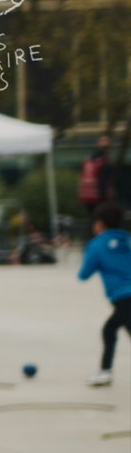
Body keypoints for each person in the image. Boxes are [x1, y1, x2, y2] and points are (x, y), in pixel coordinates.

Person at [80, 201, 131, 387]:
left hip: (123, 297)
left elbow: (84, 274)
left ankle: (105, 372)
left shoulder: (97, 244)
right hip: (125, 298)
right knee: (109, 329)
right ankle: (105, 372)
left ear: (100, 224)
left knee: (113, 329)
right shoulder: (127, 240)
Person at [80, 137, 116, 216]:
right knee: (103, 218)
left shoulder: (87, 160)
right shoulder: (105, 162)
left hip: (87, 196)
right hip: (100, 196)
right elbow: (107, 183)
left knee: (93, 217)